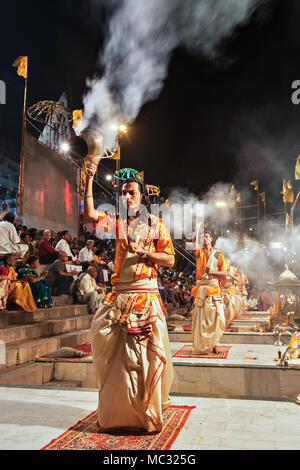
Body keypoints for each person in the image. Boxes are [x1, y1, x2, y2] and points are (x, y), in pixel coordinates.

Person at [85, 165, 175, 433]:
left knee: (145, 360)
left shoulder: (156, 225)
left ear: (141, 196)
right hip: (120, 295)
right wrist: (89, 178)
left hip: (145, 295)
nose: (126, 197)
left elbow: (170, 259)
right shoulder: (117, 222)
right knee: (110, 353)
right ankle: (117, 414)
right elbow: (89, 213)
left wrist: (145, 253)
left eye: (131, 192)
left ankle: (145, 414)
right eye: (123, 193)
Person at [191, 229, 231, 354]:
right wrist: (196, 230)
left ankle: (214, 343)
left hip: (214, 290)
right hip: (202, 290)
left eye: (206, 237)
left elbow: (225, 273)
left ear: (211, 239)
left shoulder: (218, 254)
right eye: (202, 237)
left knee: (217, 320)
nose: (204, 239)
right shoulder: (199, 252)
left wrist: (212, 272)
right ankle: (203, 346)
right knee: (202, 322)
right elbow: (193, 243)